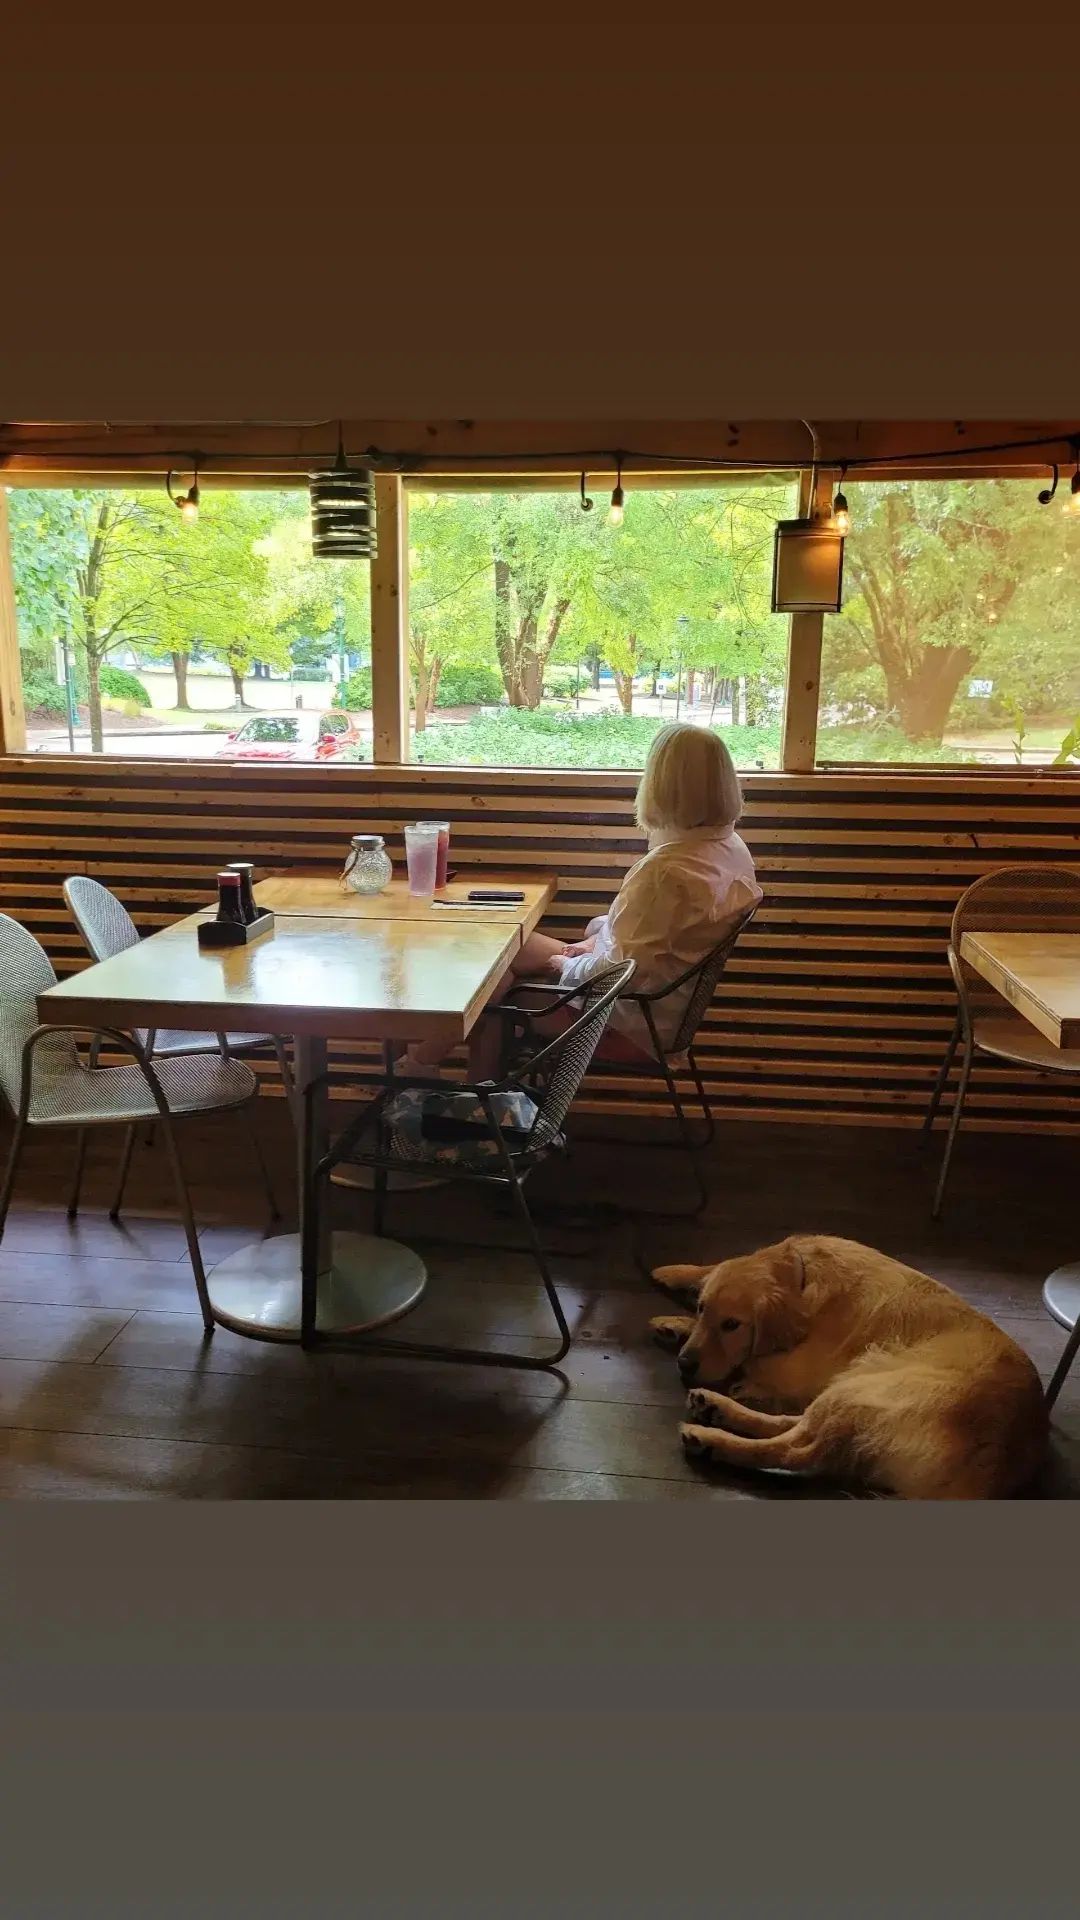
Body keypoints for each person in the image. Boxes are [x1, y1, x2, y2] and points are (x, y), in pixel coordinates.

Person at [397, 722, 761, 1077]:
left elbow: (623, 973)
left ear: (661, 784)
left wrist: (564, 965)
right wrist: (591, 942)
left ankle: (439, 1086)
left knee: (493, 991)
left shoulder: (667, 868)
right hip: (660, 1009)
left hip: (627, 1019)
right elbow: (650, 934)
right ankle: (436, 1076)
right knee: (498, 950)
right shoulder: (728, 848)